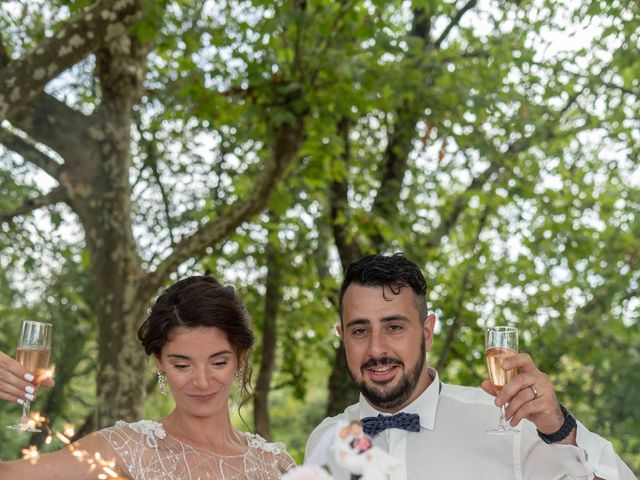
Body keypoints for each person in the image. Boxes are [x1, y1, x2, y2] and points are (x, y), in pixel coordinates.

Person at [305, 253, 636, 480]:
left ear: (426, 332)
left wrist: (560, 431)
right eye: (360, 330)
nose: (376, 348)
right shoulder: (325, 440)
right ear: (342, 337)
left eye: (394, 327)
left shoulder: (510, 423)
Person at [0, 275, 295, 479]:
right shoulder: (128, 448)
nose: (203, 381)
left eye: (218, 362)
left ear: (240, 358)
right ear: (160, 363)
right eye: (182, 366)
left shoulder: (277, 465)